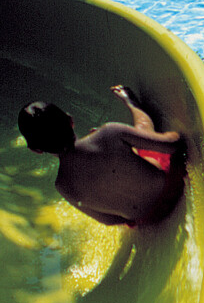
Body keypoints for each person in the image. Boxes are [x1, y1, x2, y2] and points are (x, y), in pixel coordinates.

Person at [18, 86, 185, 226]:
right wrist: (177, 134)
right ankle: (132, 104)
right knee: (142, 129)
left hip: (149, 219)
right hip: (171, 185)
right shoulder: (109, 132)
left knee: (123, 151)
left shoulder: (63, 186)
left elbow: (109, 220)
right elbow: (172, 145)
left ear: (36, 150)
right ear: (70, 120)